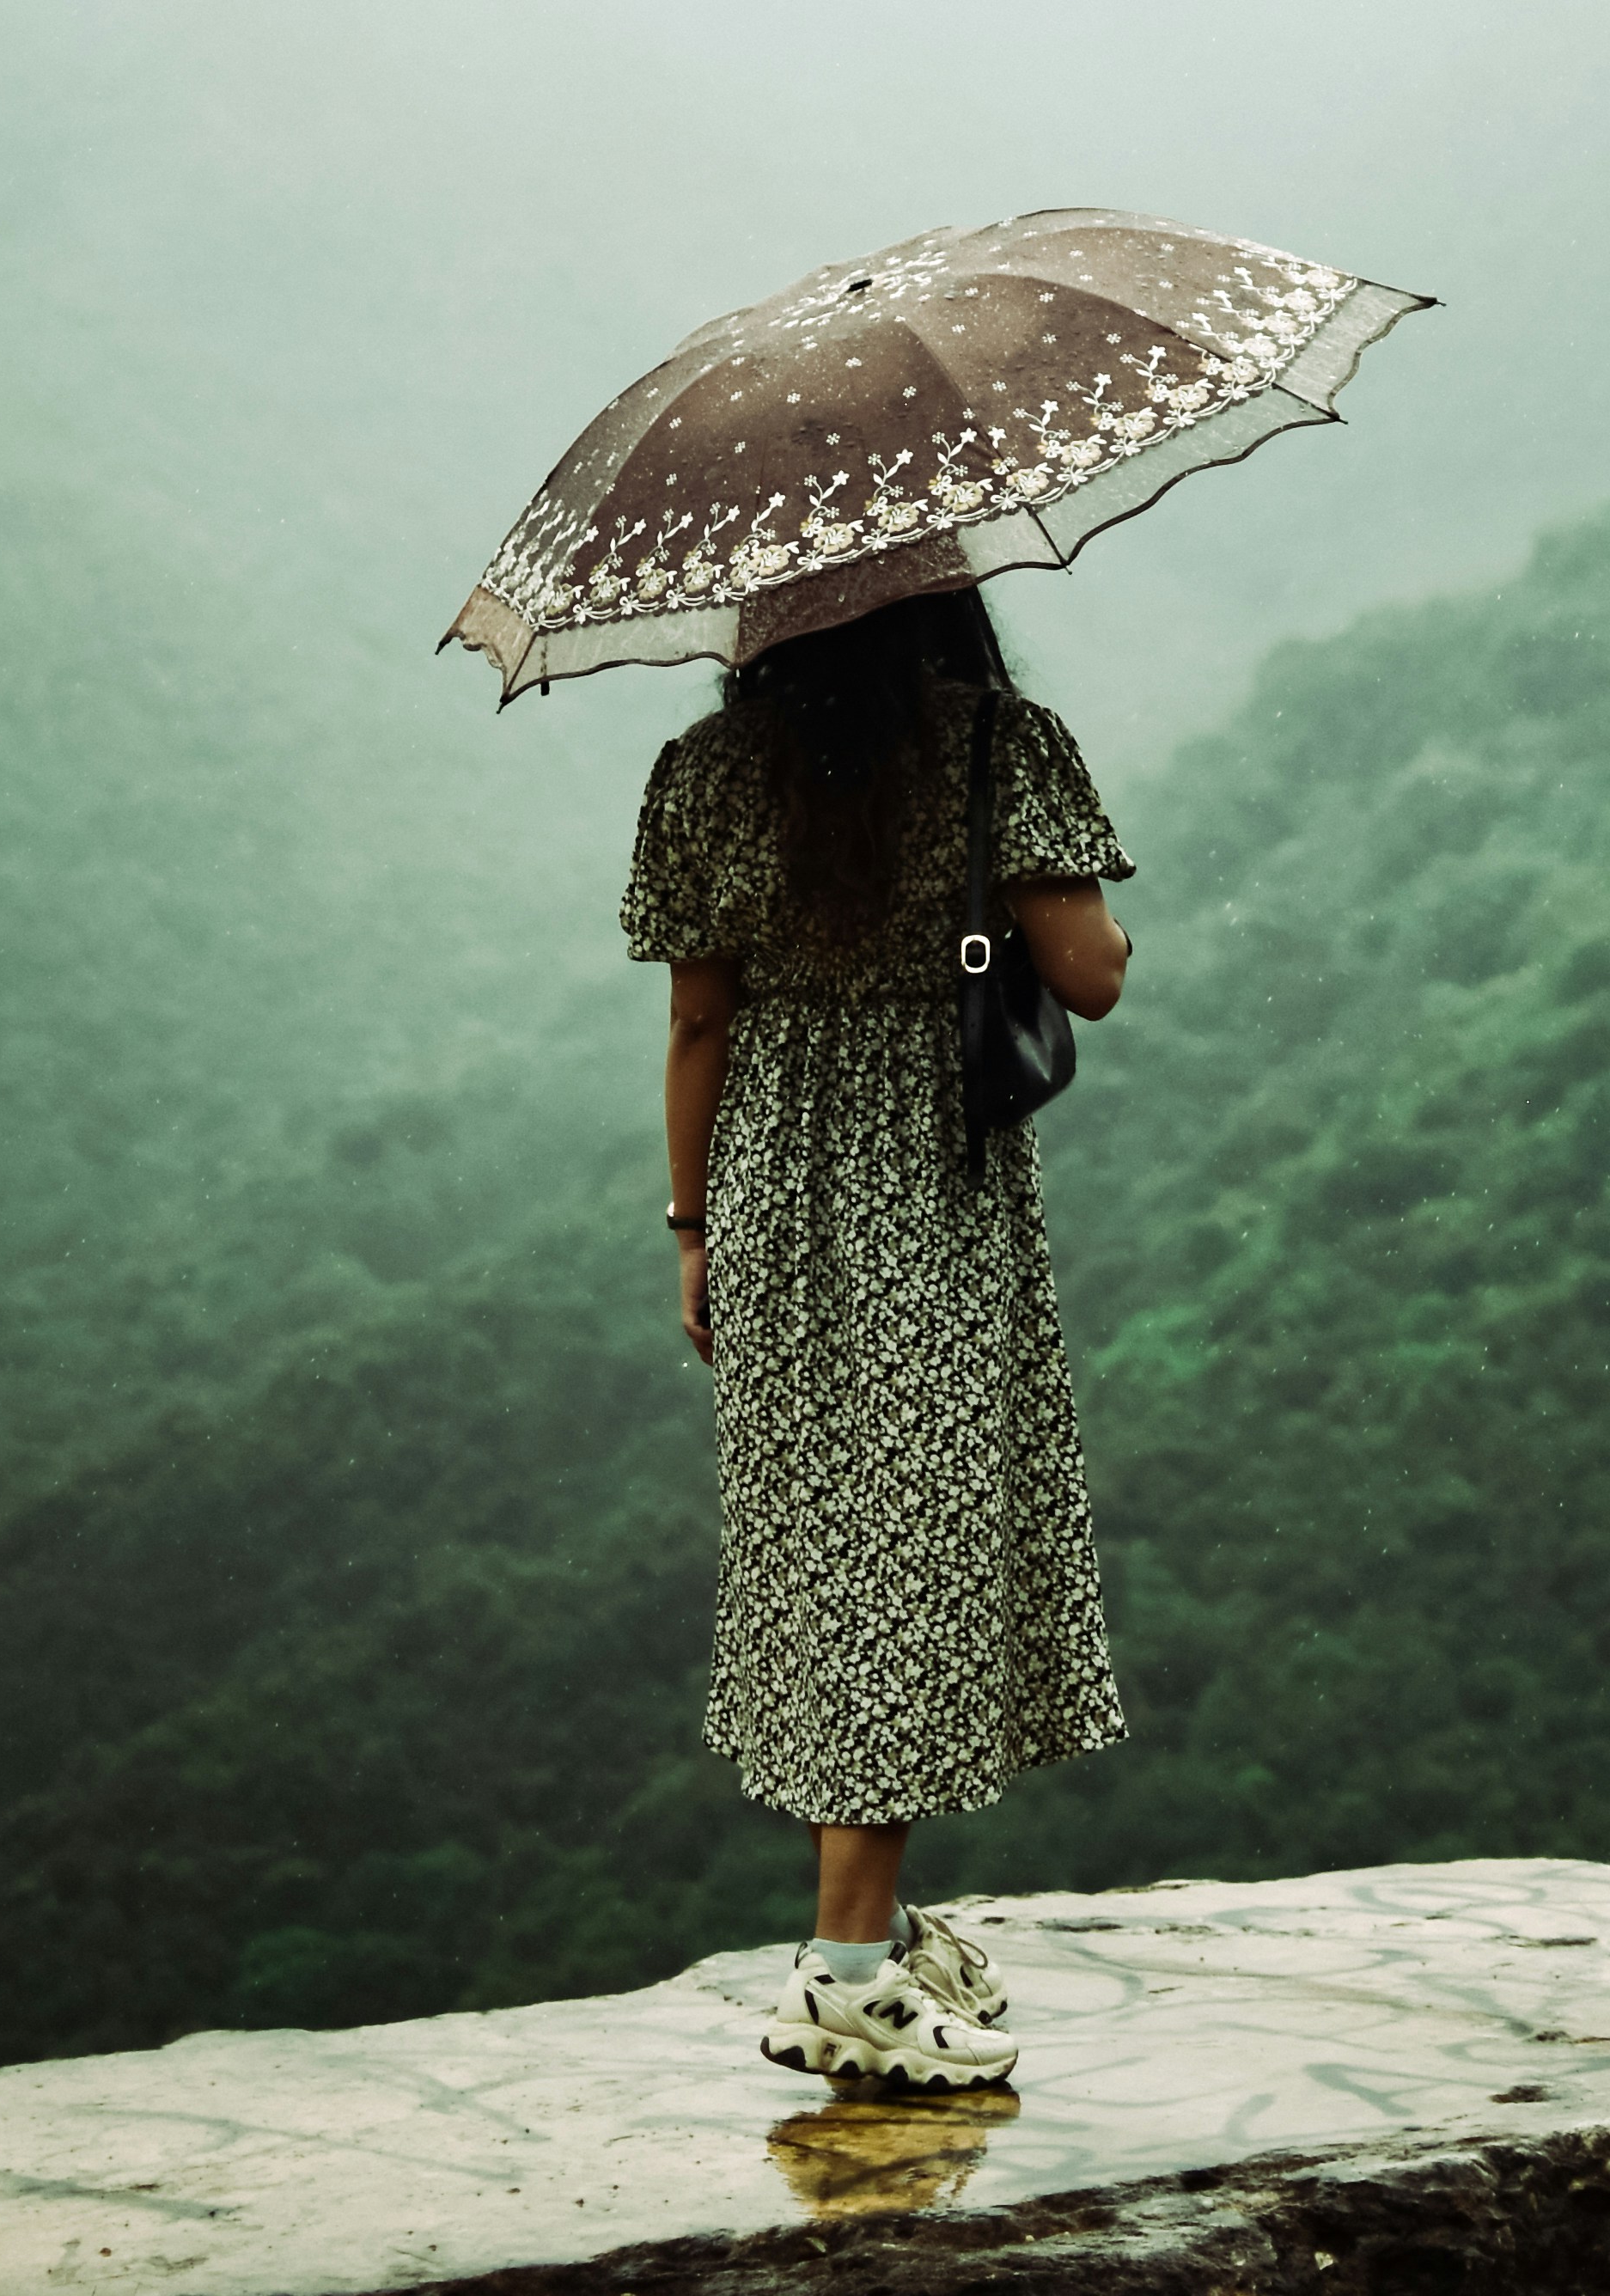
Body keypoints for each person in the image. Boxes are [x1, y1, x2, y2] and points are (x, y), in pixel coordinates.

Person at [620, 580, 1135, 2096]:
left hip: (773, 1181)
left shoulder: (704, 778)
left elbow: (699, 1024)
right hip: (934, 1185)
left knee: (833, 1544)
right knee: (906, 1550)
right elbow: (1091, 975)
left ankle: (873, 1925)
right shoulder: (998, 749)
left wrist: (692, 1226)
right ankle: (845, 1973)